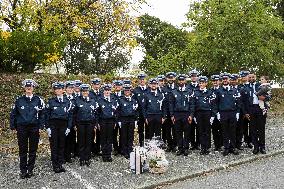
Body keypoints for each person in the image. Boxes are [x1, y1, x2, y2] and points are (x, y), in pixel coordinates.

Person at [10, 79, 45, 179]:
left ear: (33, 88)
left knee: (33, 150)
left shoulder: (39, 100)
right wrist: (13, 126)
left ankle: (30, 169)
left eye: (30, 87)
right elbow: (13, 114)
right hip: (22, 128)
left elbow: (43, 114)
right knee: (22, 149)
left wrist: (41, 126)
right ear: (24, 88)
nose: (29, 88)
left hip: (34, 128)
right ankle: (23, 170)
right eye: (27, 87)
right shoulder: (18, 100)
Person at [45, 82, 73, 173]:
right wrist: (48, 127)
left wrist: (69, 127)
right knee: (54, 145)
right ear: (54, 91)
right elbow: (46, 115)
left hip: (63, 125)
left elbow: (70, 115)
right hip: (53, 125)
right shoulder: (51, 101)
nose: (58, 90)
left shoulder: (68, 102)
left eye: (60, 89)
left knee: (62, 145)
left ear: (63, 90)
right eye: (56, 89)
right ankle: (55, 165)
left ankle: (60, 164)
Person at [215, 73, 241, 156]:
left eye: (226, 79)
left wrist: (237, 112)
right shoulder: (218, 91)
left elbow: (238, 103)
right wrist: (217, 113)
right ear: (221, 80)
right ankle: (226, 147)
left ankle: (233, 147)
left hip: (232, 113)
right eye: (223, 79)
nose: (225, 80)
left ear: (229, 80)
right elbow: (216, 103)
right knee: (224, 131)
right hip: (223, 113)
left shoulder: (235, 90)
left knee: (233, 131)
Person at [73, 84, 98, 166]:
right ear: (81, 92)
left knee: (89, 141)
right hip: (80, 124)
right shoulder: (77, 100)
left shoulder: (92, 101)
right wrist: (75, 124)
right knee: (81, 141)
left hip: (90, 123)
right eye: (83, 91)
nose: (85, 92)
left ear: (88, 92)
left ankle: (87, 158)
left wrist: (95, 124)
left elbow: (95, 113)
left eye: (86, 91)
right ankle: (82, 158)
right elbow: (74, 114)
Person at [169, 74, 194, 156]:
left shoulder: (189, 91)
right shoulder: (173, 92)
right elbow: (171, 104)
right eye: (179, 80)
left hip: (186, 114)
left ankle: (186, 148)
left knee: (187, 132)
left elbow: (192, 104)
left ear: (185, 81)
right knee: (178, 132)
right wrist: (172, 115)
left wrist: (191, 115)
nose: (181, 82)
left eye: (182, 80)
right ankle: (180, 148)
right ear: (178, 81)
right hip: (177, 114)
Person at [246, 73, 271, 154]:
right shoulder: (245, 87)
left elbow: (270, 96)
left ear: (255, 78)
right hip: (251, 109)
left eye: (253, 77)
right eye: (250, 77)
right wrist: (246, 112)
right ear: (248, 78)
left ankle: (262, 147)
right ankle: (255, 147)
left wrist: (264, 98)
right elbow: (243, 101)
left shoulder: (261, 85)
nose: (251, 78)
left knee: (261, 129)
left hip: (261, 108)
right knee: (253, 129)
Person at [193, 76, 217, 155]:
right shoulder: (195, 92)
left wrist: (213, 116)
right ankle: (202, 147)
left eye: (203, 83)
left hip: (207, 113)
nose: (201, 84)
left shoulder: (210, 92)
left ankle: (207, 147)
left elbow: (214, 105)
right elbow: (193, 105)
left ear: (206, 83)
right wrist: (194, 116)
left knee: (207, 131)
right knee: (200, 131)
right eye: (200, 83)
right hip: (199, 113)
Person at [97, 84, 119, 162]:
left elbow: (116, 112)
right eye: (106, 90)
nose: (107, 92)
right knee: (103, 138)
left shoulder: (113, 100)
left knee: (109, 138)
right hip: (102, 121)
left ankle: (108, 155)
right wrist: (97, 123)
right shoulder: (99, 100)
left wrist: (115, 121)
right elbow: (97, 113)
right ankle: (104, 155)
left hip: (111, 121)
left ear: (110, 91)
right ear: (103, 91)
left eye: (108, 90)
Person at [117, 84, 139, 159]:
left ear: (130, 91)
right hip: (123, 119)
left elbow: (136, 111)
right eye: (126, 90)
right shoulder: (120, 99)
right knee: (123, 136)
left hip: (132, 119)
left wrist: (136, 120)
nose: (127, 92)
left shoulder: (133, 100)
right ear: (124, 91)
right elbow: (118, 111)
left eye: (128, 90)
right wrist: (119, 120)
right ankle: (124, 150)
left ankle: (130, 149)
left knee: (130, 135)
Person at [163, 72, 178, 152]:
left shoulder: (177, 88)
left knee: (175, 129)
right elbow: (163, 103)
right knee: (167, 130)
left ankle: (175, 145)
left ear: (174, 78)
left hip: (175, 113)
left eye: (172, 78)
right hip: (167, 113)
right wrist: (164, 114)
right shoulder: (164, 89)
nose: (170, 79)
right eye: (169, 78)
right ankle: (169, 145)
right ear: (167, 79)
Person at [133, 73, 149, 146]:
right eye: (140, 79)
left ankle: (148, 145)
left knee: (148, 130)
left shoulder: (149, 89)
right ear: (138, 80)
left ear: (146, 80)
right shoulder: (135, 90)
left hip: (148, 113)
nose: (142, 80)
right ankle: (141, 145)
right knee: (140, 130)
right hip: (139, 114)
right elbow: (133, 103)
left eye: (143, 79)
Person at [64, 81, 76, 163]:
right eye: (69, 88)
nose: (71, 89)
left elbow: (77, 112)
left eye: (72, 88)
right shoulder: (62, 98)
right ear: (65, 89)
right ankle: (62, 156)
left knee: (71, 139)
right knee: (63, 140)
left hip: (73, 123)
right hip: (63, 123)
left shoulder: (75, 99)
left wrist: (75, 124)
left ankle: (68, 156)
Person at [187, 69, 200, 150]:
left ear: (197, 77)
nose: (194, 77)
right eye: (192, 76)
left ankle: (198, 144)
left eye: (195, 76)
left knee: (199, 128)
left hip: (199, 111)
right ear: (190, 77)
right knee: (190, 129)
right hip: (190, 111)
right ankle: (192, 144)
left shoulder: (201, 85)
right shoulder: (188, 87)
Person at [89, 78, 103, 156]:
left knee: (99, 134)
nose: (96, 86)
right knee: (91, 134)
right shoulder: (89, 93)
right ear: (92, 85)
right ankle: (91, 150)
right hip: (92, 116)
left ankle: (97, 150)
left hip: (100, 116)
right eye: (95, 84)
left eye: (98, 84)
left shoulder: (102, 93)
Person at [210, 75, 223, 151]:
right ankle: (216, 145)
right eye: (213, 81)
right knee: (214, 130)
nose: (215, 82)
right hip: (212, 114)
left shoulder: (222, 90)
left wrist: (219, 112)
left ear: (220, 81)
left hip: (221, 113)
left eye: (216, 81)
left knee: (222, 130)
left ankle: (221, 144)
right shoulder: (210, 90)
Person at [112, 80, 124, 155]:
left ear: (121, 87)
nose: (118, 87)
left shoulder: (125, 94)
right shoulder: (112, 95)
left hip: (122, 118)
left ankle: (121, 148)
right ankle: (116, 148)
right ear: (114, 86)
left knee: (122, 134)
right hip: (114, 118)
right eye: (116, 86)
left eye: (119, 86)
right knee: (114, 134)